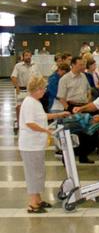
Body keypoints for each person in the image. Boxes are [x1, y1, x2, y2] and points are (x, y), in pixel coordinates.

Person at [19, 76, 70, 213]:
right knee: (33, 174)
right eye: (43, 88)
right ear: (36, 89)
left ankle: (38, 199)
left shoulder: (36, 102)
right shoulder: (29, 102)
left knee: (39, 173)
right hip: (30, 145)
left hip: (36, 145)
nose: (44, 91)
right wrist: (46, 130)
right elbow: (30, 123)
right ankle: (32, 203)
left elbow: (43, 117)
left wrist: (59, 115)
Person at [57, 56, 97, 163]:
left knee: (86, 133)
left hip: (84, 107)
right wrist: (68, 109)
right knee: (71, 134)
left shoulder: (84, 76)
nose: (83, 67)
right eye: (80, 65)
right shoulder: (65, 79)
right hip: (71, 107)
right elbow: (61, 97)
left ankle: (83, 157)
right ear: (73, 65)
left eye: (83, 64)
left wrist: (88, 99)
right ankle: (67, 159)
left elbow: (89, 89)